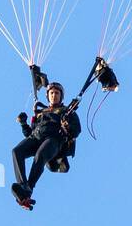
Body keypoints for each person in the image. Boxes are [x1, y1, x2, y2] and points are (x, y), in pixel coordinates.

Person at [11, 81, 80, 209]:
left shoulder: (67, 111)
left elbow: (76, 130)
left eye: (57, 93)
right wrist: (23, 123)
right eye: (52, 93)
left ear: (61, 96)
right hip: (36, 137)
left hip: (54, 140)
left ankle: (29, 188)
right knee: (16, 151)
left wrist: (67, 126)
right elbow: (29, 133)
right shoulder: (41, 113)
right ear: (48, 96)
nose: (54, 95)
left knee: (40, 155)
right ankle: (23, 185)